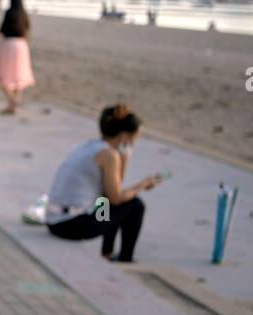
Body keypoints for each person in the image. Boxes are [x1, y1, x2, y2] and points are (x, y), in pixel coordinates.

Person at [45, 104, 164, 263]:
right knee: (135, 205)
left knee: (111, 201)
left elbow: (113, 191)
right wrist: (142, 185)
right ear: (124, 136)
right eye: (135, 137)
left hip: (56, 221)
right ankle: (125, 258)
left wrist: (125, 157)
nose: (135, 141)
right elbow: (116, 197)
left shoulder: (91, 146)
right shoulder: (109, 155)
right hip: (71, 225)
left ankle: (107, 253)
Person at [0, 0, 35, 114]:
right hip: (22, 46)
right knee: (18, 78)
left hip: (9, 45)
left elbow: (1, 31)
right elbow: (28, 32)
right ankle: (13, 105)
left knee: (3, 76)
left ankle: (12, 101)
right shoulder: (24, 13)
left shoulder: (9, 12)